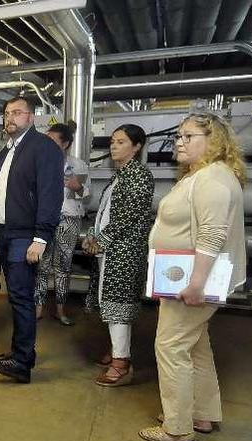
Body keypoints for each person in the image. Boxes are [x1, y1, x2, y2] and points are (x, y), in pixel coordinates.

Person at [139, 113, 246, 441]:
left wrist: (196, 284)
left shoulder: (212, 178)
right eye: (179, 136)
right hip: (183, 278)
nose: (179, 142)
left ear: (213, 140)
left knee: (170, 347)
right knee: (195, 346)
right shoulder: (201, 175)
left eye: (188, 136)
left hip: (193, 282)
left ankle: (177, 427)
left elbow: (212, 234)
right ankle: (201, 413)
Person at [0, 96, 65, 384]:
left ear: (31, 117)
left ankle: (21, 361)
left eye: (17, 113)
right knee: (16, 295)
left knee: (20, 296)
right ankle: (22, 354)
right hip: (5, 233)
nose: (11, 118)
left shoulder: (44, 148)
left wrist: (41, 237)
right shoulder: (5, 152)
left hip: (25, 235)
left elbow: (51, 195)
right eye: (7, 113)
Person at [83, 124, 154, 387]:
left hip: (123, 252)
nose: (114, 146)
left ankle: (121, 365)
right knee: (111, 304)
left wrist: (100, 241)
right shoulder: (120, 175)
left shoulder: (138, 175)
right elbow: (105, 212)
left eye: (121, 142)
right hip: (111, 251)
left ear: (136, 147)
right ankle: (117, 351)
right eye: (113, 141)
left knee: (118, 308)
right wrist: (93, 234)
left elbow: (127, 216)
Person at [34, 122, 91, 326]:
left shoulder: (78, 165)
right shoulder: (40, 162)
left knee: (64, 267)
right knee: (41, 265)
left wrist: (77, 186)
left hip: (69, 220)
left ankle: (60, 310)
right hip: (45, 220)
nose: (46, 143)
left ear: (65, 143)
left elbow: (86, 194)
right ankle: (38, 309)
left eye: (52, 139)